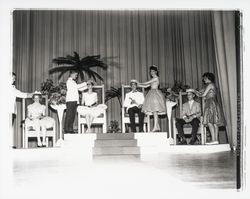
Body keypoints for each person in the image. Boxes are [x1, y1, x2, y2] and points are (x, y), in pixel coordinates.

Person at [194, 72, 224, 145]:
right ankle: (216, 140)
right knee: (215, 123)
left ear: (207, 78)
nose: (204, 80)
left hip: (210, 103)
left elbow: (203, 95)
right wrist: (197, 92)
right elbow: (203, 94)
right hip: (214, 102)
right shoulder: (213, 85)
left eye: (204, 78)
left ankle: (213, 140)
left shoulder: (210, 85)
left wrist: (194, 91)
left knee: (210, 122)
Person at [138, 65, 166, 132]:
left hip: (155, 94)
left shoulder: (156, 78)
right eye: (151, 71)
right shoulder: (153, 79)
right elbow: (146, 85)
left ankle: (156, 126)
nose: (152, 72)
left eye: (153, 71)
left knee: (155, 110)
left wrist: (138, 82)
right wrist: (138, 85)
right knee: (154, 111)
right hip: (152, 94)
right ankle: (157, 126)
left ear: (156, 71)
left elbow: (147, 82)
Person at [11, 72, 32, 148]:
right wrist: (33, 94)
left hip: (11, 112)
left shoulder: (12, 87)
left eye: (14, 78)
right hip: (8, 112)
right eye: (13, 78)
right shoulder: (10, 88)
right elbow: (23, 95)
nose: (14, 79)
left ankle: (9, 145)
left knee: (9, 128)